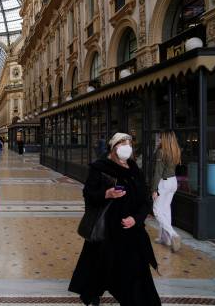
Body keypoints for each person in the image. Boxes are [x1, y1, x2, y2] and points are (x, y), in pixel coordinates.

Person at [69, 132, 160, 306]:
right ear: (113, 147)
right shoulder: (100, 167)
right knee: (99, 264)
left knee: (136, 268)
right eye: (122, 144)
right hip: (107, 228)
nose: (126, 148)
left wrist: (136, 219)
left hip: (131, 229)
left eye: (129, 144)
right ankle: (92, 292)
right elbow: (88, 193)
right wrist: (106, 193)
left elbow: (146, 201)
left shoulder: (135, 170)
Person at [152, 130, 182, 252]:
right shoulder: (176, 150)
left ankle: (173, 234)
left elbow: (158, 172)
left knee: (157, 211)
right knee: (165, 209)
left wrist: (154, 189)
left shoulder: (161, 152)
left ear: (164, 139)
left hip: (164, 183)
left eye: (160, 137)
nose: (159, 139)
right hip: (173, 181)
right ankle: (166, 239)